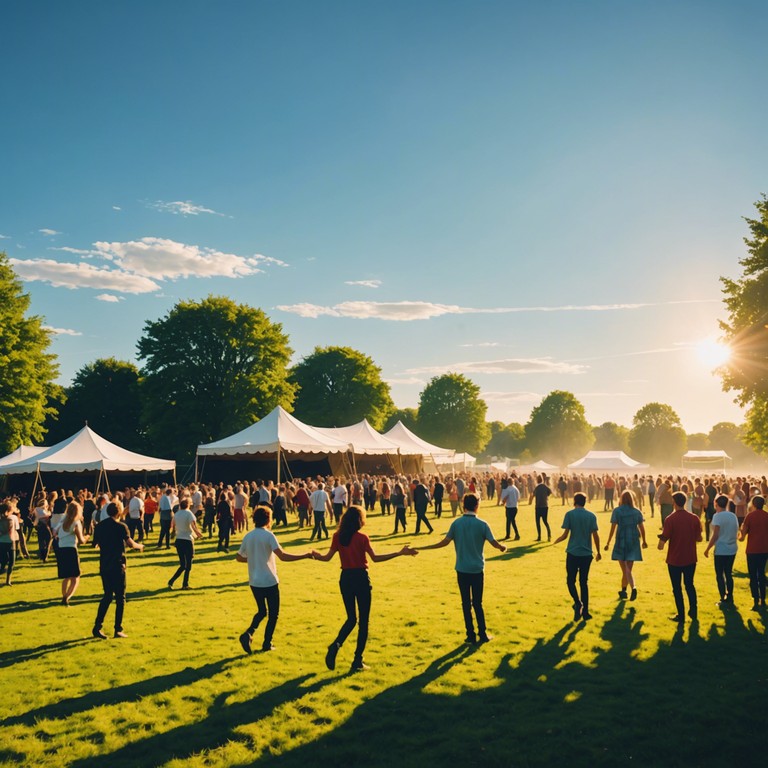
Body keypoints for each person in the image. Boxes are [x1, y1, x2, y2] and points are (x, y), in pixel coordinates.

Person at [315, 506, 417, 672]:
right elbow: (375, 558)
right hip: (361, 578)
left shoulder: (337, 536)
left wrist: (314, 555)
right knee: (363, 622)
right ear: (359, 520)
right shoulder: (362, 538)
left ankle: (336, 645)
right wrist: (400, 553)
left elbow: (326, 558)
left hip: (346, 579)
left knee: (351, 619)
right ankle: (357, 660)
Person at [416, 494, 506, 644]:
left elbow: (444, 542)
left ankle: (470, 635)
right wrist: (502, 547)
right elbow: (494, 543)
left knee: (465, 603)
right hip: (477, 569)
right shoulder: (482, 524)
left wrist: (423, 547)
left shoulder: (456, 524)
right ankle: (482, 634)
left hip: (462, 569)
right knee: (478, 603)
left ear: (464, 505)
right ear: (477, 506)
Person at [236, 506, 316, 654]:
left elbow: (239, 557)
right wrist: (304, 555)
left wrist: (254, 559)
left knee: (261, 611)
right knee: (273, 614)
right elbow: (283, 556)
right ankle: (267, 643)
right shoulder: (269, 535)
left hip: (254, 582)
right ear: (268, 519)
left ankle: (248, 633)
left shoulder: (248, 536)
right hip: (269, 580)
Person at [92, 501, 144, 639]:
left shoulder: (100, 526)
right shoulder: (121, 526)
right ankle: (118, 629)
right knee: (120, 598)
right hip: (118, 564)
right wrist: (140, 546)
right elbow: (130, 544)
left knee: (107, 596)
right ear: (119, 512)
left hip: (104, 564)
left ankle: (97, 626)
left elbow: (95, 544)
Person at [553, 492, 601, 621]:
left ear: (575, 501)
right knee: (583, 583)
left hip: (573, 552)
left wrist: (556, 541)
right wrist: (598, 551)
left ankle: (577, 602)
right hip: (586, 554)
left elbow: (565, 535)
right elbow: (595, 535)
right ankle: (585, 611)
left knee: (570, 581)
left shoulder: (570, 514)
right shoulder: (591, 516)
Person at [658, 491, 703, 623]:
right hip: (690, 557)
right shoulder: (694, 518)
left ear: (674, 503)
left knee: (677, 588)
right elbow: (699, 538)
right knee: (689, 584)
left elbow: (662, 544)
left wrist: (660, 541)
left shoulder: (670, 519)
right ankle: (693, 609)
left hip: (675, 559)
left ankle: (681, 615)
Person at [603, 490, 647, 601]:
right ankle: (623, 591)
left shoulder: (617, 511)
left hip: (621, 541)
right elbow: (642, 527)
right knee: (627, 570)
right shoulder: (637, 511)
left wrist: (608, 542)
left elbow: (612, 528)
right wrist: (644, 540)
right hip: (633, 540)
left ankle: (633, 588)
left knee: (625, 569)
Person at [703, 494, 739, 607]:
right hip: (732, 548)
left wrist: (707, 548)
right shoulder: (733, 516)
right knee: (728, 573)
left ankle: (723, 597)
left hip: (721, 549)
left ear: (716, 504)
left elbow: (715, 535)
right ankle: (730, 596)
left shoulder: (717, 516)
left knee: (719, 574)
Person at [54, 501, 89, 605]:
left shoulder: (62, 520)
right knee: (75, 577)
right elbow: (81, 540)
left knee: (66, 577)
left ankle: (64, 595)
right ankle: (66, 597)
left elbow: (54, 531)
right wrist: (87, 537)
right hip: (71, 549)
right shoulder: (76, 523)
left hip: (61, 549)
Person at [738, 495, 768, 610]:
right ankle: (763, 600)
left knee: (753, 575)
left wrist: (740, 533)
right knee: (761, 574)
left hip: (752, 550)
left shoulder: (750, 516)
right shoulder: (766, 516)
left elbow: (742, 537)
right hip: (765, 549)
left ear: (753, 504)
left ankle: (756, 600)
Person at [168, 498, 203, 590]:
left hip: (179, 540)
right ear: (188, 505)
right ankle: (185, 584)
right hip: (187, 539)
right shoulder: (189, 514)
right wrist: (198, 533)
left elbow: (172, 525)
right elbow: (193, 525)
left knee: (183, 565)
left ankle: (171, 581)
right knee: (189, 564)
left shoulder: (176, 514)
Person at [0, 500, 20, 586]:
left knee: (3, 560)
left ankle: (2, 570)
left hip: (1, 541)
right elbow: (16, 529)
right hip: (11, 541)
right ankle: (8, 580)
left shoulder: (1, 519)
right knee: (12, 561)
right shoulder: (13, 518)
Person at [529, 476, 552, 541]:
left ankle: (539, 536)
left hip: (538, 506)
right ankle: (549, 535)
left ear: (537, 480)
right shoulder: (545, 486)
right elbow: (550, 492)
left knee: (538, 522)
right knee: (545, 521)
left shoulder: (537, 488)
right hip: (545, 506)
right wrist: (546, 496)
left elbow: (533, 495)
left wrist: (531, 500)